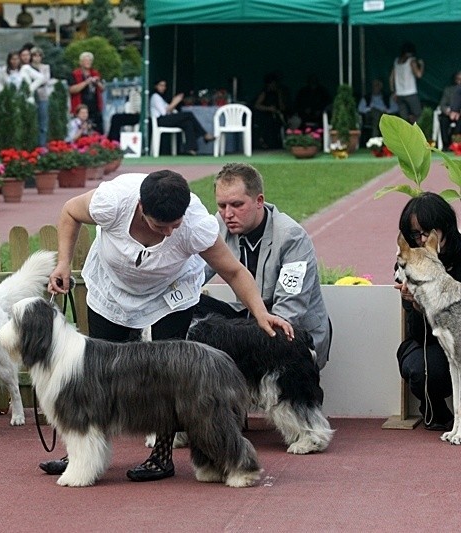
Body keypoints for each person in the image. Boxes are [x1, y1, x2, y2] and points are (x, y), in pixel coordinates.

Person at [42, 170, 293, 481]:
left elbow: (234, 272)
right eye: (161, 226)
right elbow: (70, 212)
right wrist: (64, 262)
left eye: (176, 224)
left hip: (169, 295)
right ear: (141, 208)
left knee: (170, 379)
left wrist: (260, 313)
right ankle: (82, 455)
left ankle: (161, 456)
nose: (171, 233)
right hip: (111, 289)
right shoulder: (113, 201)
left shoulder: (196, 225)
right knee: (96, 379)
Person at [191, 163, 332, 370]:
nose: (227, 214)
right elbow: (193, 275)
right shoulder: (217, 225)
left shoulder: (291, 236)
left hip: (293, 331)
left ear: (259, 201)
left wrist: (238, 345)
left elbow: (288, 311)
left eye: (237, 205)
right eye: (222, 206)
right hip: (248, 322)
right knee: (188, 303)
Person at [395, 192, 461, 431]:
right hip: (428, 342)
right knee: (421, 368)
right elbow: (415, 331)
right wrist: (416, 304)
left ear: (444, 228)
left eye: (427, 232)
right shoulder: (409, 262)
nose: (421, 239)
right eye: (415, 234)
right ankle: (436, 410)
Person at [149, 79, 212, 156]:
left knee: (187, 123)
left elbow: (171, 111)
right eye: (161, 85)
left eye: (164, 86)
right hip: (160, 120)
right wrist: (175, 102)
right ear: (156, 86)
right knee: (189, 114)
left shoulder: (161, 98)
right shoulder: (155, 97)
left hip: (166, 118)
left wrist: (173, 103)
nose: (163, 87)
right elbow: (164, 112)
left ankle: (191, 148)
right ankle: (204, 134)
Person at [68, 51, 104, 133]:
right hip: (81, 106)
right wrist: (86, 82)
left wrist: (97, 82)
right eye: (86, 60)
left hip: (95, 107)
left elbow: (102, 89)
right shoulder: (75, 74)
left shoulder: (95, 73)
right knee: (82, 130)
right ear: (81, 62)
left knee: (97, 130)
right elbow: (72, 90)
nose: (88, 62)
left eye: (90, 60)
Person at [390, 41, 424, 124]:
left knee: (403, 119)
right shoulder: (411, 61)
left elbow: (391, 78)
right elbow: (418, 75)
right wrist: (422, 65)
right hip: (411, 93)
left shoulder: (396, 61)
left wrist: (393, 91)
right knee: (418, 115)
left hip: (399, 94)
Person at [253, 72, 287, 149]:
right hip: (264, 116)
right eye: (272, 83)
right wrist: (269, 108)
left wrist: (279, 95)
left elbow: (282, 108)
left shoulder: (278, 93)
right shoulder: (264, 93)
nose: (274, 85)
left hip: (276, 117)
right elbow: (256, 105)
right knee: (267, 123)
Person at [29, 46, 51, 146]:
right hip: (30, 96)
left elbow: (45, 80)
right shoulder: (27, 68)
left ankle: (42, 146)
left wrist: (37, 81)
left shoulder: (45, 67)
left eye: (39, 56)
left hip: (42, 96)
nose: (37, 58)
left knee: (43, 122)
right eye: (34, 55)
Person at [437, 71, 461, 149]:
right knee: (443, 119)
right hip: (449, 113)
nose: (459, 82)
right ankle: (446, 145)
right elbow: (442, 104)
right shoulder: (448, 90)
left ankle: (456, 144)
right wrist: (449, 112)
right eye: (458, 79)